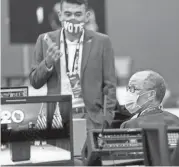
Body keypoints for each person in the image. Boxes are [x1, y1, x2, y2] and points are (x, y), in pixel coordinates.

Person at [29, 0, 117, 130]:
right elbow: (35, 82)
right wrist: (48, 62)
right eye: (68, 14)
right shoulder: (45, 40)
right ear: (60, 16)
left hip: (90, 119)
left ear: (86, 16)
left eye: (78, 14)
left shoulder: (102, 42)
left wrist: (106, 120)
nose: (73, 18)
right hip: (56, 118)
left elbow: (110, 86)